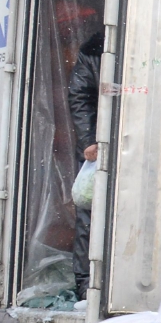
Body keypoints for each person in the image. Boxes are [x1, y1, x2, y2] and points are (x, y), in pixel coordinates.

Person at [66, 31, 102, 299]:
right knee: (89, 210)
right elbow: (80, 95)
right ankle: (85, 284)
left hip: (134, 144)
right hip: (102, 146)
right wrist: (89, 139)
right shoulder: (94, 50)